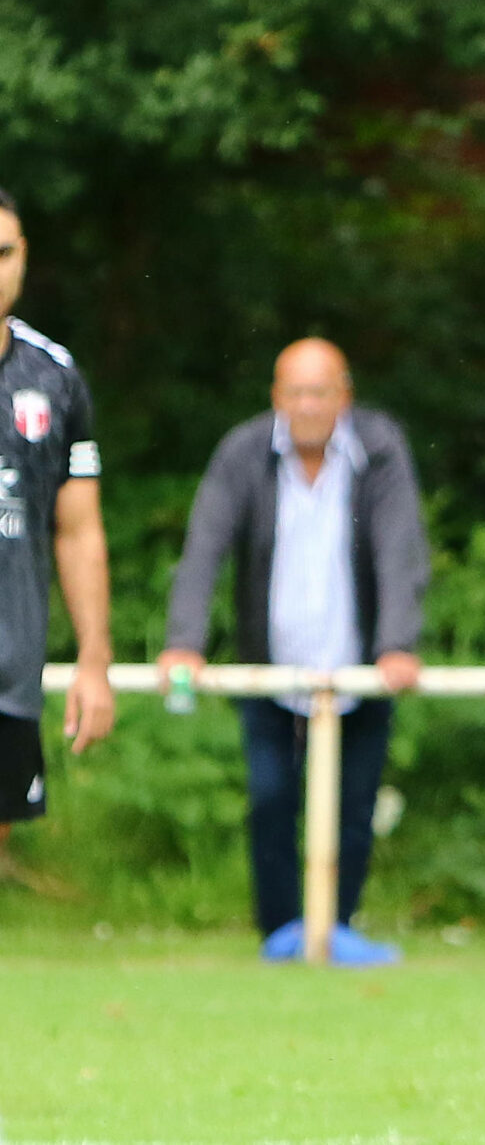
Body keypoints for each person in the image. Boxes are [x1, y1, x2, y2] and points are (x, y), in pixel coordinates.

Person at [162, 339, 429, 966]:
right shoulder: (242, 450)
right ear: (276, 397)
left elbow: (401, 549)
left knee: (354, 809)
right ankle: (282, 932)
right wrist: (184, 642)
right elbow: (204, 548)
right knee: (271, 798)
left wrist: (396, 644)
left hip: (358, 668)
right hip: (270, 669)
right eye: (296, 392)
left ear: (346, 396)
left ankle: (335, 929)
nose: (308, 405)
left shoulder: (381, 448)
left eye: (322, 391)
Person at [0, 189, 115, 885]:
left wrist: (94, 662)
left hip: (7, 669)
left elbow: (78, 531)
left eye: (4, 252)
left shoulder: (54, 376)